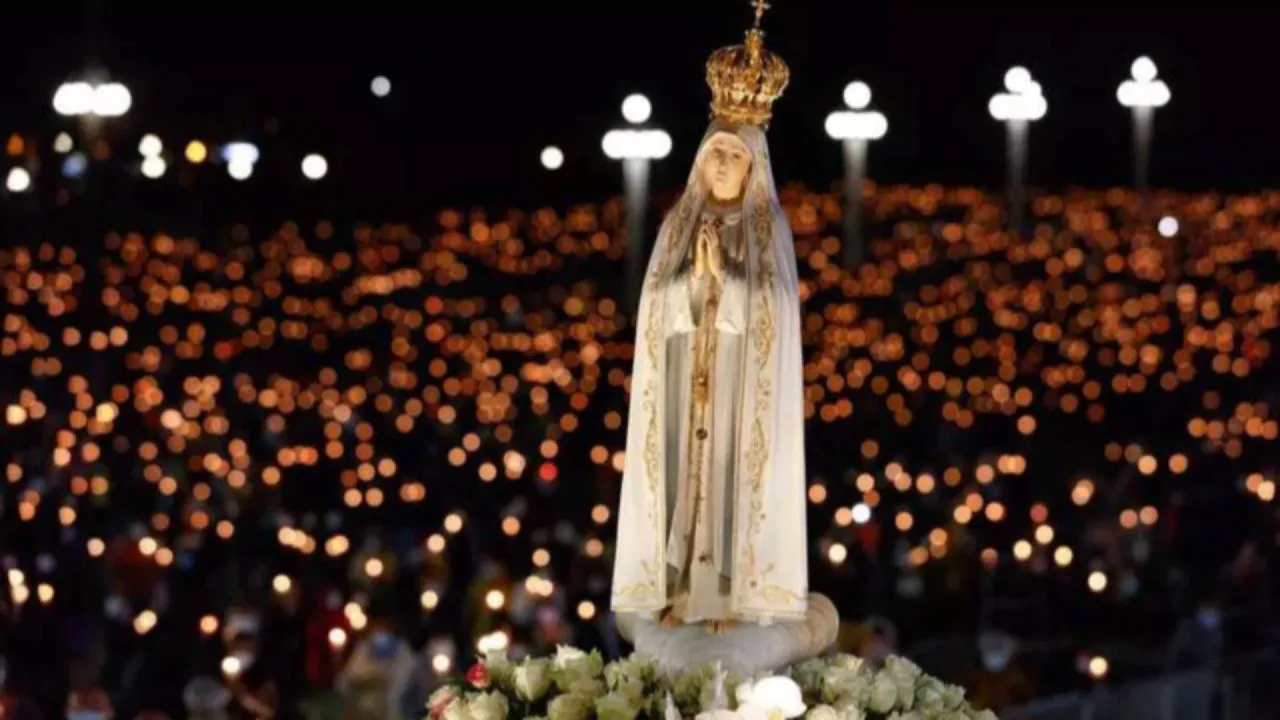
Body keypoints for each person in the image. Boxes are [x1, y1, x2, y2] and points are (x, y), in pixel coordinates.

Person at [611, 0, 807, 634]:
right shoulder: (680, 225)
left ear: (753, 167)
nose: (722, 165)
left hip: (735, 384)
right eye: (715, 154)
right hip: (687, 379)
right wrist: (686, 290)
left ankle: (729, 596)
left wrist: (731, 284)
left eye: (735, 157)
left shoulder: (765, 229)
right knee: (685, 484)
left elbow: (776, 310)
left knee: (726, 483)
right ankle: (677, 590)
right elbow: (655, 306)